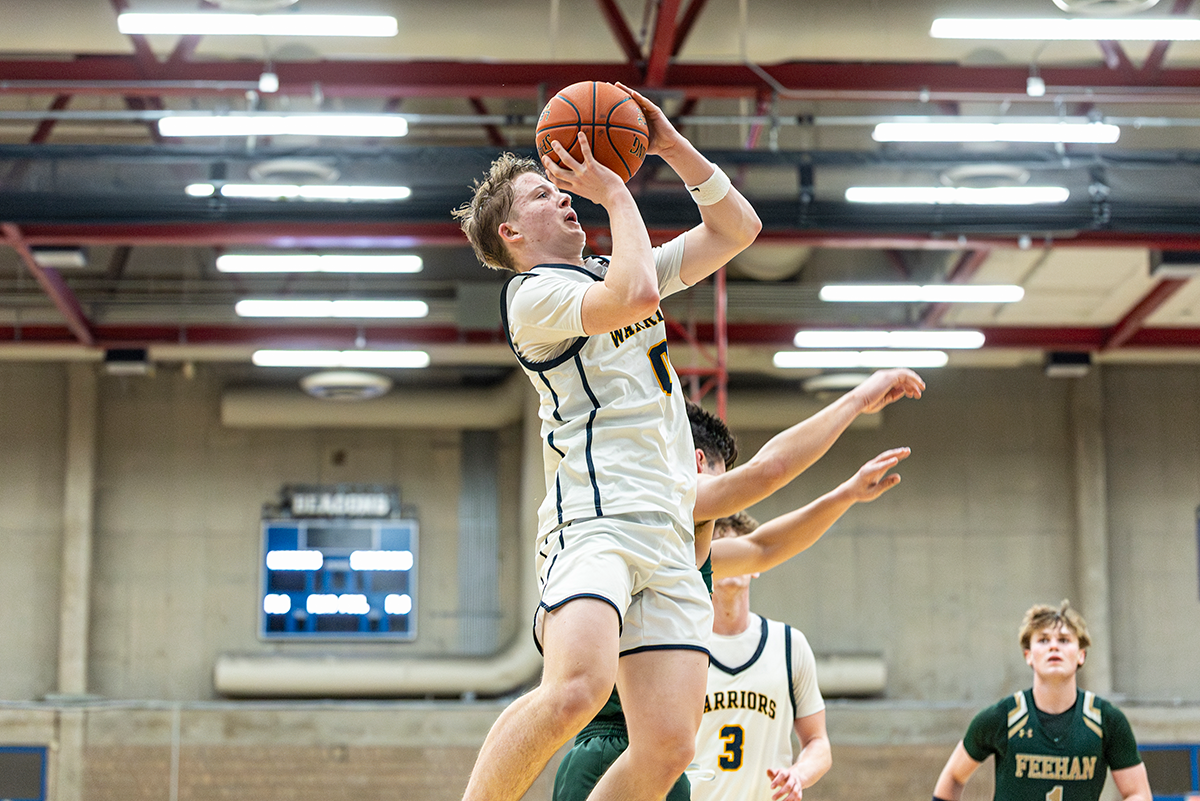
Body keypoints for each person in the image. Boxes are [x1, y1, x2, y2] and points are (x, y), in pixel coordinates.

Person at [452, 81, 761, 801]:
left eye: (561, 189)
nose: (564, 196)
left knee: (667, 745)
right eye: (542, 194)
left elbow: (737, 230)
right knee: (576, 690)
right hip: (596, 518)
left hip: (668, 527)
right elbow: (636, 297)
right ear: (512, 234)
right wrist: (618, 192)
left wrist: (670, 145)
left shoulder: (610, 269)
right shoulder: (531, 295)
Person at [554, 376, 923, 801]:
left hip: (657, 756)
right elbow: (770, 470)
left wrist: (846, 494)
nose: (726, 503)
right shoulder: (669, 506)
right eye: (722, 478)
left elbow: (763, 548)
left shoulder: (671, 543)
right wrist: (857, 399)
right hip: (621, 749)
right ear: (697, 463)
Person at [933, 601, 1151, 801]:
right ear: (1028, 655)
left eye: (1064, 640)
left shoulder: (1106, 720)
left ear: (1081, 655)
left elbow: (1138, 793)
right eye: (1043, 640)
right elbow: (953, 777)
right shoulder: (1001, 717)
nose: (1053, 646)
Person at [692, 511, 831, 801]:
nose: (733, 562)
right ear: (703, 565)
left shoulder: (789, 644)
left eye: (739, 552)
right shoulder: (682, 647)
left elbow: (818, 742)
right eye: (723, 553)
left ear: (757, 565)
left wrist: (799, 774)